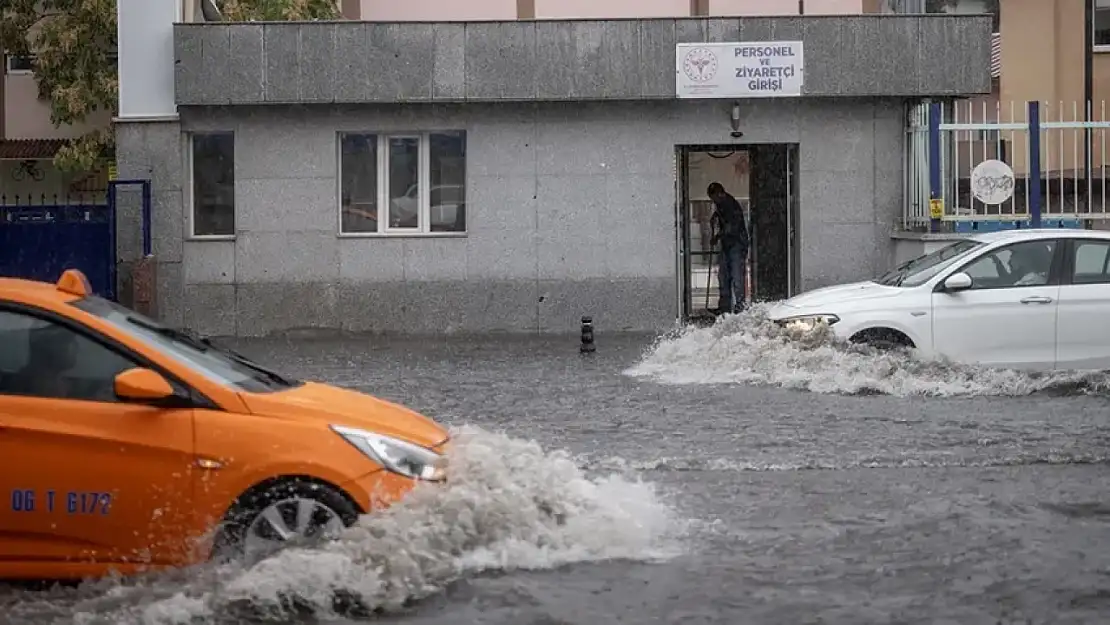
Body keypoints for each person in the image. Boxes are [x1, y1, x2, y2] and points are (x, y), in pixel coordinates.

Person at [707, 182, 750, 314]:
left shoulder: (730, 205)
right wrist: (714, 218)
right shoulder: (721, 205)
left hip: (737, 244)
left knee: (737, 276)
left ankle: (740, 306)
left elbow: (731, 227)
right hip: (728, 245)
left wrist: (717, 236)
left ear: (720, 193)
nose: (713, 201)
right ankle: (725, 306)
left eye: (714, 198)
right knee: (723, 276)